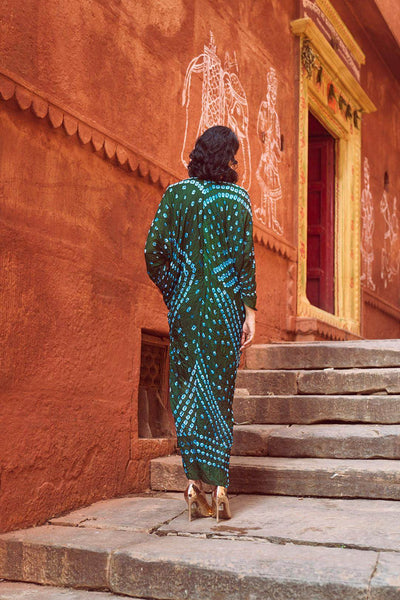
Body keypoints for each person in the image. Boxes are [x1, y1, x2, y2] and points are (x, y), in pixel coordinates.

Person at [145, 125, 256, 522]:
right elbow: (244, 260)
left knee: (189, 391)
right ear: (228, 157)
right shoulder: (238, 199)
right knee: (219, 395)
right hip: (225, 308)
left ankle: (194, 486)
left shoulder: (176, 195)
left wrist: (175, 287)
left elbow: (153, 251)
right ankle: (220, 487)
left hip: (187, 308)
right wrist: (250, 312)